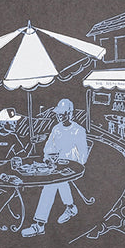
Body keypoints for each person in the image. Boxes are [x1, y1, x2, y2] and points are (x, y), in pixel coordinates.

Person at [21, 98, 88, 237]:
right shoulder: (56, 129)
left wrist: (68, 161)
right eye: (58, 114)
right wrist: (48, 158)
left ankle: (39, 224)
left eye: (62, 114)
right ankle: (71, 207)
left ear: (70, 113)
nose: (59, 116)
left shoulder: (79, 131)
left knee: (50, 185)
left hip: (71, 168)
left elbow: (83, 156)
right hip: (55, 167)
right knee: (56, 180)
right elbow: (48, 147)